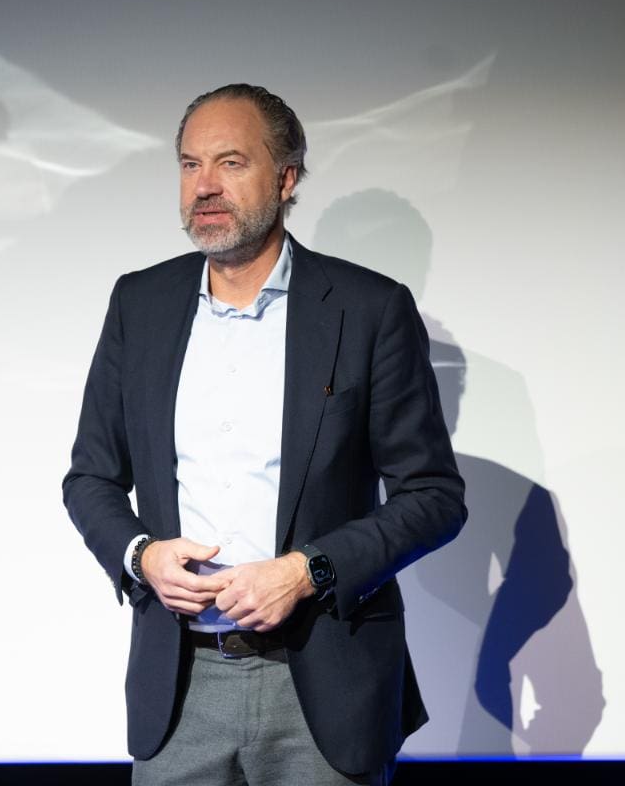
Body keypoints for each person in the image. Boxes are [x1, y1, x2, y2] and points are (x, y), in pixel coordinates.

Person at [62, 83, 466, 785]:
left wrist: (308, 571)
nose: (205, 186)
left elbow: (433, 496)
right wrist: (140, 556)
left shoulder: (369, 310)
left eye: (231, 163)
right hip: (178, 685)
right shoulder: (140, 303)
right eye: (190, 165)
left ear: (285, 179)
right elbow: (91, 477)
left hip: (321, 687)